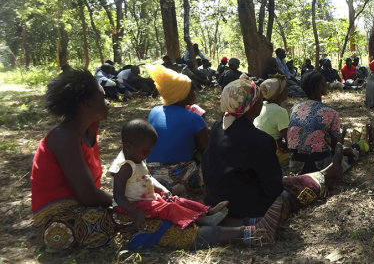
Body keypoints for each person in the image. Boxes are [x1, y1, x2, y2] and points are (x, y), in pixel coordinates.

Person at [30, 69, 265, 250]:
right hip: (61, 218)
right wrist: (131, 204)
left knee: (164, 207)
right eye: (102, 95)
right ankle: (247, 233)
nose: (108, 99)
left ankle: (244, 222)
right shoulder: (64, 138)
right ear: (87, 104)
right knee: (150, 222)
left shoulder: (91, 127)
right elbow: (88, 195)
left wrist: (142, 200)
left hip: (86, 206)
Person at [202, 79, 348, 244]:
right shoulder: (261, 140)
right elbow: (274, 190)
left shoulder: (216, 128)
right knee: (290, 191)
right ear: (253, 105)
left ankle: (323, 173)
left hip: (216, 203)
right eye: (259, 99)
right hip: (249, 208)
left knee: (286, 181)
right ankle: (323, 176)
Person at [109, 119, 230, 230]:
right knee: (169, 208)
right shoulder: (123, 167)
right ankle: (204, 220)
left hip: (146, 199)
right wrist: (135, 211)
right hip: (132, 205)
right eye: (146, 150)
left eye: (150, 150)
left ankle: (207, 211)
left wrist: (161, 188)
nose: (148, 154)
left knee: (176, 200)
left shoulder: (136, 156)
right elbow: (118, 196)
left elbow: (148, 177)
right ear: (128, 146)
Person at [145, 64, 209, 199]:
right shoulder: (194, 118)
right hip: (178, 176)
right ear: (183, 94)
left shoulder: (154, 111)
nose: (194, 93)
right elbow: (207, 149)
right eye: (191, 90)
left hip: (150, 175)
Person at [287, 71, 358, 175]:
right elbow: (334, 148)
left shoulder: (295, 108)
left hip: (295, 165)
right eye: (325, 82)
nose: (327, 84)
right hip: (320, 166)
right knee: (348, 157)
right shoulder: (331, 112)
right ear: (320, 87)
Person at [253, 76, 291, 166]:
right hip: (272, 153)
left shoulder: (262, 106)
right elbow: (288, 139)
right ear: (280, 94)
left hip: (257, 151)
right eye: (285, 88)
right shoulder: (280, 111)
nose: (288, 90)